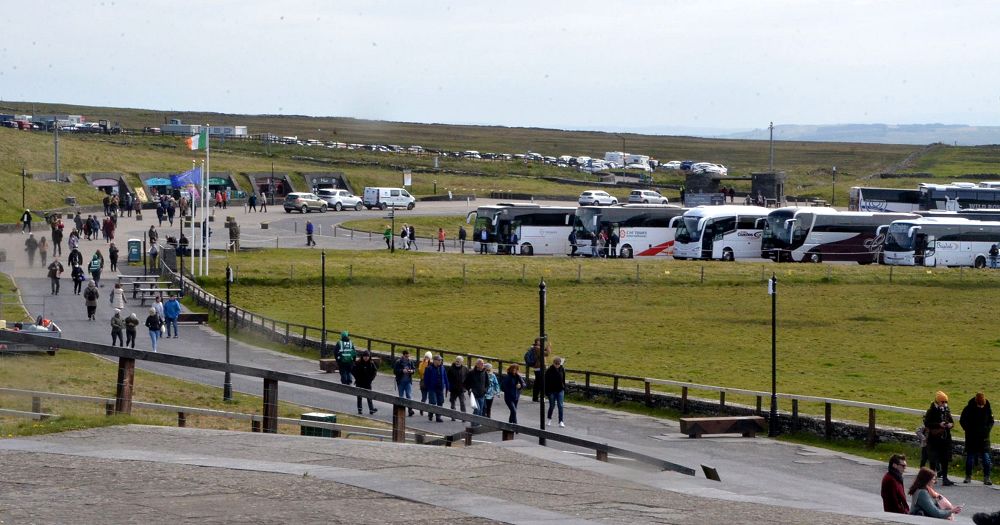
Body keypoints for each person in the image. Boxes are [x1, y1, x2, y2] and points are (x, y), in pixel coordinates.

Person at [960, 392, 994, 485]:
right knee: (970, 458)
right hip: (972, 438)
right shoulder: (968, 409)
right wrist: (968, 430)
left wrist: (987, 430)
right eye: (980, 405)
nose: (981, 407)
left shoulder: (987, 408)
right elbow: (962, 420)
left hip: (984, 439)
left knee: (986, 459)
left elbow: (991, 421)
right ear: (976, 402)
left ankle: (987, 478)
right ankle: (968, 476)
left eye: (982, 405)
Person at [924, 391, 956, 486]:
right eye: (942, 402)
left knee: (945, 459)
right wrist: (939, 424)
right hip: (934, 438)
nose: (944, 404)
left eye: (946, 402)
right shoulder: (931, 411)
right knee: (933, 459)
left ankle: (945, 478)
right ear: (938, 401)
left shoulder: (946, 410)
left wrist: (950, 425)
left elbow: (951, 421)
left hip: (945, 438)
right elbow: (927, 423)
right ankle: (932, 477)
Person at [423, 355, 448, 422]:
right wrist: (427, 387)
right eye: (439, 360)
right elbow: (426, 379)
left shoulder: (442, 368)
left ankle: (438, 417)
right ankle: (430, 414)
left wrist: (447, 386)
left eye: (441, 360)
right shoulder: (429, 368)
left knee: (440, 402)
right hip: (432, 388)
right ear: (434, 360)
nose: (440, 361)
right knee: (433, 402)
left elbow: (445, 377)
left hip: (440, 388)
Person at [524, 338, 549, 402]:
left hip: (536, 367)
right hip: (539, 367)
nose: (542, 342)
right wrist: (549, 347)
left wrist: (545, 348)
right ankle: (542, 397)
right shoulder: (537, 348)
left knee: (537, 383)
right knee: (541, 383)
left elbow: (542, 353)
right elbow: (546, 354)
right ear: (537, 342)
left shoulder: (535, 348)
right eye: (540, 341)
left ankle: (535, 397)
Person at [353, 351, 378, 415]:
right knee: (359, 396)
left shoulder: (371, 363)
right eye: (365, 356)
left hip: (368, 382)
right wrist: (357, 378)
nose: (366, 358)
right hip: (359, 382)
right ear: (362, 356)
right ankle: (360, 409)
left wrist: (371, 379)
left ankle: (371, 409)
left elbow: (375, 371)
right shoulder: (358, 362)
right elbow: (353, 370)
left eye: (367, 356)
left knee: (369, 396)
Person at [545, 356, 566, 427]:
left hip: (560, 390)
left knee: (560, 405)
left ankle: (561, 421)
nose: (557, 365)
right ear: (553, 363)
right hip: (551, 391)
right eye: (556, 364)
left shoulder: (562, 369)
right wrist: (546, 392)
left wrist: (564, 387)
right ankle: (549, 419)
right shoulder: (549, 370)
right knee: (552, 406)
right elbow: (546, 382)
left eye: (558, 364)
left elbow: (563, 379)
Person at [394, 350, 416, 416]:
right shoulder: (398, 362)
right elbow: (395, 371)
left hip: (408, 381)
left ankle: (410, 410)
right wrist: (402, 371)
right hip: (400, 382)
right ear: (403, 355)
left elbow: (414, 369)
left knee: (409, 395)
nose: (407, 357)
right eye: (406, 356)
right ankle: (401, 410)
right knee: (401, 396)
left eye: (408, 356)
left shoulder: (410, 362)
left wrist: (412, 371)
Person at [417, 351, 433, 415]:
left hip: (430, 382)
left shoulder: (432, 365)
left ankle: (429, 411)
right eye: (426, 357)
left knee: (430, 397)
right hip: (423, 382)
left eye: (428, 357)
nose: (426, 358)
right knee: (424, 397)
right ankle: (422, 409)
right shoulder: (421, 364)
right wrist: (425, 364)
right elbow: (421, 372)